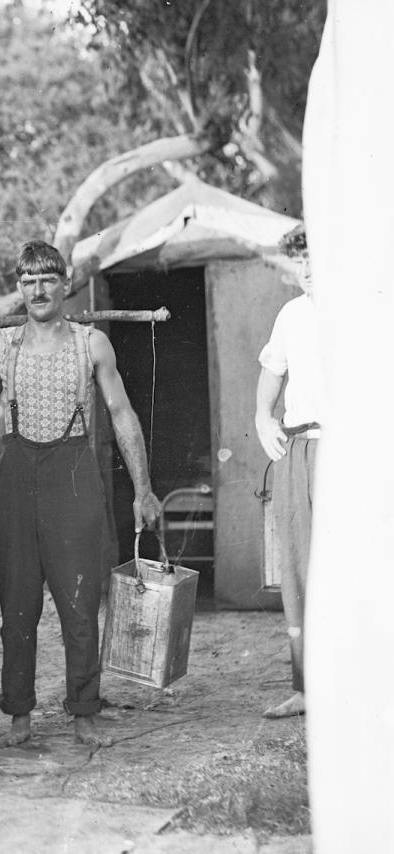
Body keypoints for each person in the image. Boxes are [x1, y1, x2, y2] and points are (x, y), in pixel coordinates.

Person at [0, 240, 161, 749]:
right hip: (17, 474)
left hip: (74, 472)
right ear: (19, 288)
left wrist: (142, 489)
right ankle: (19, 713)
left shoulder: (92, 343)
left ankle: (85, 711)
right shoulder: (3, 345)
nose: (38, 290)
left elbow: (123, 414)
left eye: (47, 279)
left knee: (80, 603)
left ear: (65, 284)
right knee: (17, 603)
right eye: (28, 281)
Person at [255, 223, 319, 720]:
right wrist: (262, 417)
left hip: (349, 452)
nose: (309, 269)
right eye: (300, 260)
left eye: (317, 257)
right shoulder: (292, 314)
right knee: (297, 569)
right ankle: (305, 687)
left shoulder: (370, 307)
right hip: (298, 450)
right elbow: (271, 374)